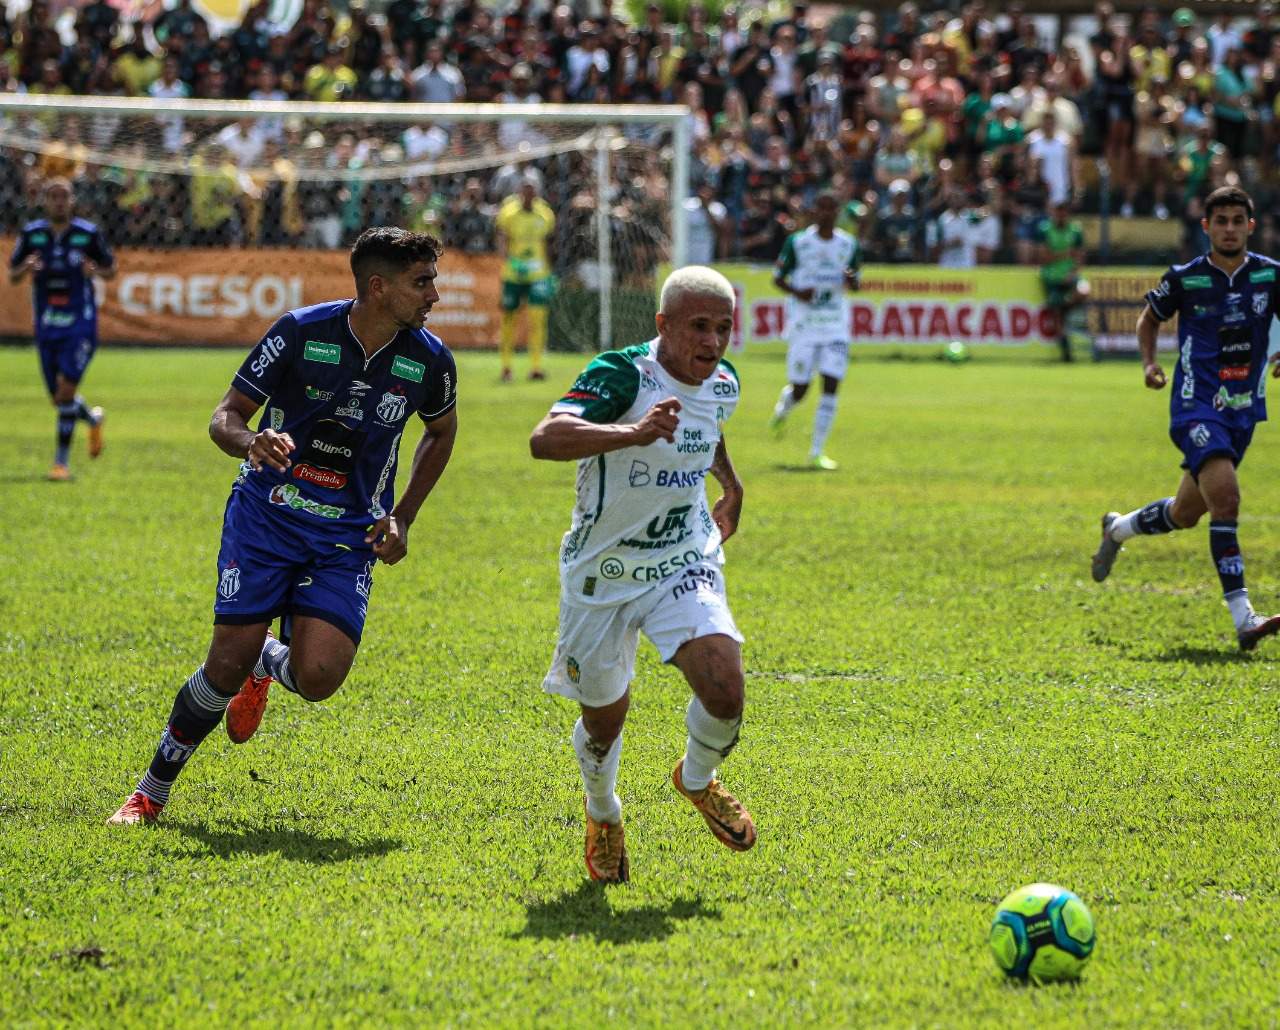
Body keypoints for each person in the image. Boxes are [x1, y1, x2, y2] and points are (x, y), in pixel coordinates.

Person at [107, 228, 458, 825]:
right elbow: (225, 417)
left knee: (319, 677)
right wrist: (250, 441)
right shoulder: (300, 332)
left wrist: (401, 516)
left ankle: (268, 661)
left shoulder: (429, 358)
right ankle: (151, 792)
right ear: (378, 287)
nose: (435, 295)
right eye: (421, 281)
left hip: (348, 534)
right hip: (267, 517)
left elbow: (441, 431)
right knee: (223, 666)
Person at [529, 266, 754, 883]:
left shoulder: (725, 380)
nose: (712, 342)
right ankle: (603, 811)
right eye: (699, 327)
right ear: (664, 325)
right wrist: (631, 431)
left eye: (724, 328)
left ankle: (697, 779)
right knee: (604, 720)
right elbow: (545, 438)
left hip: (683, 555)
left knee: (725, 688)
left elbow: (708, 431)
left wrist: (730, 485)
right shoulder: (623, 373)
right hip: (602, 570)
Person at [1091, 187, 1280, 652]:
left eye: (1239, 220)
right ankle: (1243, 618)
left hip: (1243, 409)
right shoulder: (1185, 278)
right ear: (1207, 227)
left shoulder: (1270, 275)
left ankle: (1117, 529)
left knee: (1186, 513)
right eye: (1222, 221)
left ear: (1251, 226)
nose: (1230, 228)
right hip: (1196, 404)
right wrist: (1149, 364)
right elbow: (1148, 319)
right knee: (1227, 499)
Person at [9, 178, 114, 481]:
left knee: (66, 391)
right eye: (53, 196)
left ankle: (61, 463)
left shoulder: (87, 233)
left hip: (80, 324)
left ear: (72, 201)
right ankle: (92, 418)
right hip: (46, 324)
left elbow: (111, 268)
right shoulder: (32, 234)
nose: (59, 201)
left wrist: (94, 271)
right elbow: (13, 274)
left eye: (64, 196)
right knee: (59, 398)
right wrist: (26, 267)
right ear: (45, 201)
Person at [768, 192, 861, 470]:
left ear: (838, 212)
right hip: (804, 325)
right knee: (801, 388)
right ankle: (785, 405)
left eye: (832, 209)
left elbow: (856, 284)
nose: (827, 213)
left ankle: (817, 451)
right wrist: (799, 292)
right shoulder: (798, 242)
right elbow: (777, 279)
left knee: (831, 384)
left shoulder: (848, 244)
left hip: (835, 325)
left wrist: (851, 280)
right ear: (814, 211)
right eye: (821, 208)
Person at [495, 173, 555, 382]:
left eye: (532, 190)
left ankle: (536, 367)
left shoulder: (545, 214)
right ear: (520, 192)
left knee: (537, 320)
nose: (529, 194)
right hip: (513, 273)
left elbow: (548, 242)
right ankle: (506, 367)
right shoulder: (508, 213)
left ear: (536, 193)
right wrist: (507, 261)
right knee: (508, 319)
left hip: (538, 274)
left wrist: (549, 271)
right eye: (525, 190)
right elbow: (502, 238)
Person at [1037, 200, 1088, 362]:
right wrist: (1067, 254)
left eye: (1064, 211)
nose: (1061, 215)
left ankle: (1065, 306)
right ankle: (1066, 353)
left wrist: (1072, 273)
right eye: (1058, 211)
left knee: (1084, 291)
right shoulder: (1045, 230)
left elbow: (1080, 257)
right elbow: (1044, 257)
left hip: (1070, 276)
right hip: (1052, 277)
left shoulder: (1076, 230)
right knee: (1057, 316)